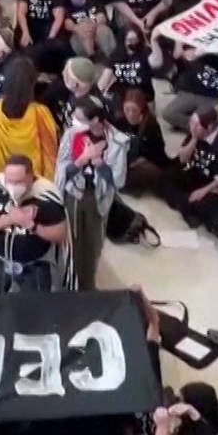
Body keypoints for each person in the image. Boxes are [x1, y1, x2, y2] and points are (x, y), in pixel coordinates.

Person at [57, 97, 127, 290]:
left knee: (93, 244)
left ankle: (87, 286)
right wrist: (82, 160)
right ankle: (69, 282)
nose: (75, 121)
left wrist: (99, 163)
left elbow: (118, 180)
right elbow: (62, 170)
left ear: (96, 119)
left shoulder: (117, 141)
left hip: (98, 196)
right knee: (71, 241)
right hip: (73, 194)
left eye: (80, 118)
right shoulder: (72, 135)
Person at [0, 154, 69, 296]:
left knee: (33, 311)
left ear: (30, 177)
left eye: (18, 182)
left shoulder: (46, 196)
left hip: (34, 266)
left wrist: (32, 225)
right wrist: (10, 219)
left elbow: (60, 234)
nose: (13, 187)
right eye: (9, 181)